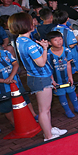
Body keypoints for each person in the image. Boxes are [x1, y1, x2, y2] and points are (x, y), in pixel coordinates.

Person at [9, 12, 67, 142]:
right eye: (32, 21)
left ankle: (49, 129)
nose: (34, 22)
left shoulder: (20, 40)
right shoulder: (28, 44)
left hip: (38, 76)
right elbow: (41, 63)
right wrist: (45, 48)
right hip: (40, 77)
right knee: (44, 110)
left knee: (46, 108)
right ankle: (48, 136)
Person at [46, 31, 78, 119]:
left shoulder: (67, 51)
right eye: (55, 40)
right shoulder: (48, 54)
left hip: (67, 78)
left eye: (60, 39)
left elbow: (68, 64)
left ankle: (76, 107)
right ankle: (67, 110)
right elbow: (49, 68)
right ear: (49, 43)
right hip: (57, 79)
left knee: (72, 92)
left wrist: (70, 77)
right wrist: (52, 80)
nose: (59, 42)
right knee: (61, 95)